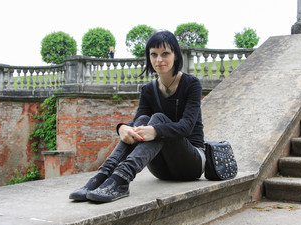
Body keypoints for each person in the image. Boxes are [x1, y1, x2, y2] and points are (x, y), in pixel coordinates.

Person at [69, 30, 206, 203]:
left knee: (158, 118)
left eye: (165, 54)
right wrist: (122, 127)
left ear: (176, 55)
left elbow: (186, 127)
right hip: (161, 169)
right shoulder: (148, 90)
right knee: (141, 121)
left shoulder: (191, 84)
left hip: (191, 163)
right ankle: (103, 175)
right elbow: (138, 122)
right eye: (154, 55)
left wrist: (156, 131)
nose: (159, 60)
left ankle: (121, 179)